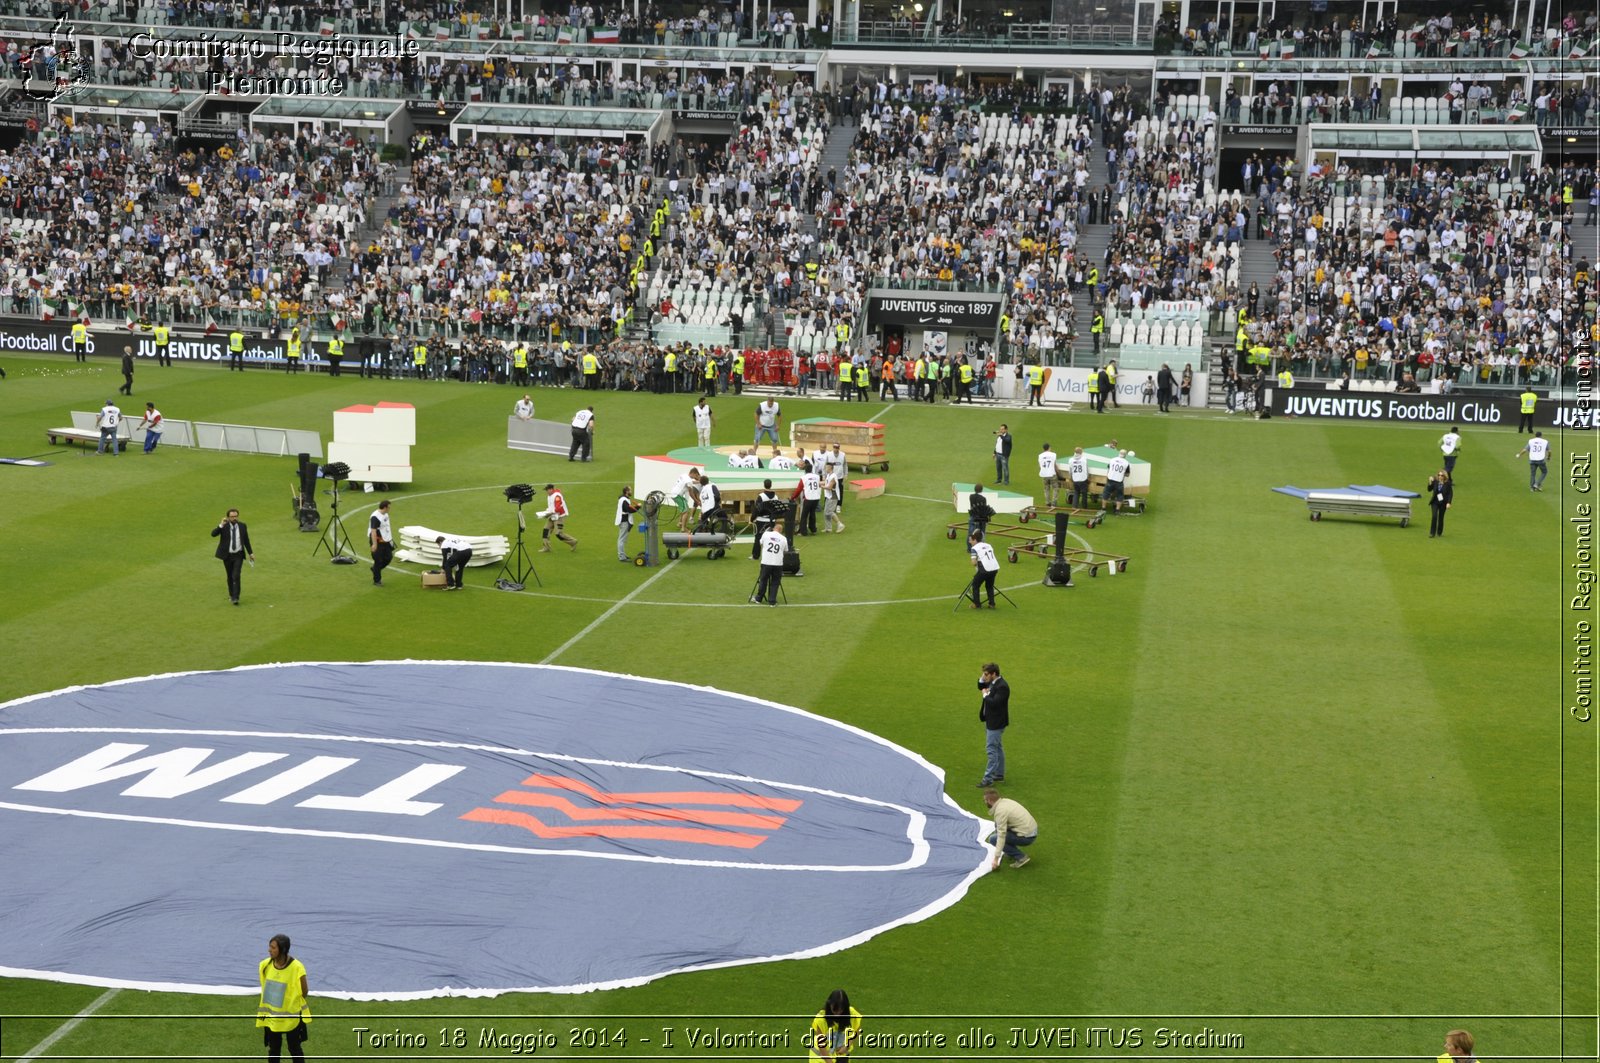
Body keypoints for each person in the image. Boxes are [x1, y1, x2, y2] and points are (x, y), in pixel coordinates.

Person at [256, 933, 311, 1063]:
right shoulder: (264, 965)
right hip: (272, 1018)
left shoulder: (297, 967)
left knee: (294, 1048)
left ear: (283, 949)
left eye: (273, 947)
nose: (269, 950)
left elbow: (305, 991)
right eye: (270, 946)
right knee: (274, 1050)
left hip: (292, 1018)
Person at [982, 787, 1037, 869]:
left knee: (993, 839)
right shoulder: (1006, 801)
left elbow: (1001, 835)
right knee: (998, 825)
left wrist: (996, 859)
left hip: (1027, 837)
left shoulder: (1000, 811)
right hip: (1031, 830)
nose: (985, 802)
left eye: (985, 801)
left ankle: (1021, 857)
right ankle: (1010, 851)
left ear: (989, 801)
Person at [211, 508, 254, 605]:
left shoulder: (242, 526)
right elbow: (213, 534)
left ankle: (236, 597)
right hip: (227, 555)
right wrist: (221, 525)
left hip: (238, 555)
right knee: (230, 576)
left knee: (236, 575)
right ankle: (231, 594)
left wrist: (250, 553)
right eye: (232, 517)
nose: (234, 518)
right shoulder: (224, 526)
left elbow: (246, 540)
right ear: (228, 517)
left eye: (236, 516)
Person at [807, 989, 862, 1063]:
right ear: (829, 1005)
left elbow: (857, 1030)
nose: (837, 1013)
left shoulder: (852, 1014)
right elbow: (821, 1044)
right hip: (820, 1059)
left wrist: (847, 1046)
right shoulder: (821, 1019)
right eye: (835, 1010)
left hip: (841, 1058)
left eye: (840, 1010)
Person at [976, 662, 1009, 786]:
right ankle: (999, 774)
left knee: (991, 750)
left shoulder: (1002, 687)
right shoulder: (993, 682)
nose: (984, 677)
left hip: (996, 723)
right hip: (991, 720)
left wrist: (985, 694)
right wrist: (982, 680)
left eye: (986, 674)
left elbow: (994, 703)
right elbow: (980, 686)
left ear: (993, 674)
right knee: (998, 747)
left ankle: (988, 779)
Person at [753, 520, 788, 605]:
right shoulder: (783, 538)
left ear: (773, 528)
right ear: (781, 531)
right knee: (775, 582)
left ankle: (759, 598)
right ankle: (772, 601)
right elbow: (785, 550)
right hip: (777, 564)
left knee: (763, 580)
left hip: (766, 562)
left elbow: (760, 542)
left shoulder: (766, 534)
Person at [536, 484, 579, 550]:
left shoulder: (557, 496)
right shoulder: (549, 496)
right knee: (546, 530)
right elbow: (551, 507)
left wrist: (549, 513)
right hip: (552, 515)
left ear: (551, 489)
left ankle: (573, 542)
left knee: (558, 534)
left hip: (559, 516)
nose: (546, 492)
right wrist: (546, 512)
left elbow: (558, 508)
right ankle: (546, 547)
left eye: (547, 490)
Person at [968, 531, 999, 609]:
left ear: (975, 540)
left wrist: (974, 563)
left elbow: (974, 562)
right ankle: (992, 604)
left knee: (975, 585)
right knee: (989, 586)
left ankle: (976, 604)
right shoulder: (988, 545)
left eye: (971, 540)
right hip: (995, 568)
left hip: (985, 569)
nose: (970, 542)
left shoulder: (974, 548)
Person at [369, 499, 393, 585]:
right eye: (389, 507)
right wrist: (374, 544)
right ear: (385, 507)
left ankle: (375, 569)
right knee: (378, 560)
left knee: (389, 557)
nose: (390, 509)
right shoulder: (375, 517)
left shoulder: (385, 514)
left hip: (386, 540)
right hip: (378, 541)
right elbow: (373, 531)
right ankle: (377, 581)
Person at [615, 486, 639, 561]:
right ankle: (622, 557)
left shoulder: (623, 499)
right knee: (621, 539)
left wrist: (636, 507)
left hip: (623, 521)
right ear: (627, 491)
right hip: (624, 521)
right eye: (630, 490)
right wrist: (638, 507)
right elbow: (629, 510)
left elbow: (628, 508)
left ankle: (623, 555)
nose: (631, 491)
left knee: (622, 539)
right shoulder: (624, 500)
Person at [797, 461, 822, 535]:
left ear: (805, 469)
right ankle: (813, 529)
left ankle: (803, 532)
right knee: (812, 513)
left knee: (804, 515)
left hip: (808, 498)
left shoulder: (804, 477)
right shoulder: (817, 476)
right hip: (816, 498)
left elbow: (799, 488)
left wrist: (793, 497)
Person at [1426, 470, 1453, 538]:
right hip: (1435, 502)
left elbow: (1450, 493)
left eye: (1441, 475)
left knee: (1441, 517)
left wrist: (1449, 503)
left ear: (1444, 476)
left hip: (1443, 503)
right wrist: (1430, 482)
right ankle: (1432, 533)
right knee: (1434, 516)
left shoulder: (1447, 484)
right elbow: (1429, 489)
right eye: (1439, 475)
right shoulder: (1435, 482)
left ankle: (1439, 532)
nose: (1440, 476)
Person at [822, 464, 843, 533]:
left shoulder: (833, 477)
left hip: (833, 496)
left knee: (829, 512)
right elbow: (825, 483)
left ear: (830, 468)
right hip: (829, 496)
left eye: (826, 467)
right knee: (825, 512)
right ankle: (828, 528)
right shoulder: (829, 475)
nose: (825, 469)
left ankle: (839, 524)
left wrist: (820, 486)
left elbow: (829, 487)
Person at [1037, 443, 1059, 509]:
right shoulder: (1053, 454)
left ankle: (1047, 502)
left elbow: (1039, 465)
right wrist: (1058, 472)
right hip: (1052, 473)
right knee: (1055, 488)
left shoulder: (1040, 455)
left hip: (1044, 474)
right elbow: (1054, 465)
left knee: (1046, 488)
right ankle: (1054, 503)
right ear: (1049, 448)